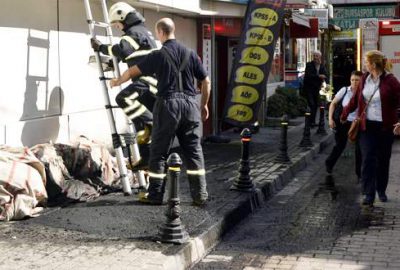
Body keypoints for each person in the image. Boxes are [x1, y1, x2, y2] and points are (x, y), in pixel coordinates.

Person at [110, 18, 211, 206]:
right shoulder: (190, 54)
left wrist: (117, 82)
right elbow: (206, 81)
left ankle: (155, 195)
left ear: (160, 33)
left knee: (159, 151)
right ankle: (200, 195)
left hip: (168, 105)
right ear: (173, 31)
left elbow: (132, 71)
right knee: (194, 151)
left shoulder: (158, 55)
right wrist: (203, 104)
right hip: (190, 106)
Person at [91, 2, 158, 143]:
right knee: (141, 126)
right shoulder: (141, 32)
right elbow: (133, 54)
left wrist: (100, 47)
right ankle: (146, 157)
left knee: (123, 99)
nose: (117, 27)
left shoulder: (134, 33)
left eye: (117, 23)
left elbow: (122, 50)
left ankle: (149, 122)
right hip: (150, 84)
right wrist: (112, 62)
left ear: (124, 18)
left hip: (147, 82)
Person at [341, 50, 400, 206]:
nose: (364, 65)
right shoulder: (364, 79)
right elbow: (355, 99)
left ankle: (381, 189)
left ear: (373, 64)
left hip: (386, 127)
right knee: (368, 158)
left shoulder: (391, 81)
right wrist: (344, 113)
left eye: (366, 62)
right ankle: (368, 193)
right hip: (367, 127)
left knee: (383, 160)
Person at [325, 71, 362, 177]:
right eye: (352, 80)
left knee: (359, 148)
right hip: (343, 122)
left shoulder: (363, 93)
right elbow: (333, 104)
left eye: (357, 80)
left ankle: (359, 173)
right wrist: (330, 119)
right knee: (340, 145)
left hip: (357, 123)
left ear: (361, 81)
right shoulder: (345, 90)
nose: (354, 82)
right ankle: (329, 164)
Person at [303, 50, 329, 126]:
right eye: (314, 56)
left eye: (317, 56)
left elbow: (326, 75)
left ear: (320, 57)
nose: (315, 57)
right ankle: (309, 122)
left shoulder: (321, 65)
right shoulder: (309, 65)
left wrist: (326, 84)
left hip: (317, 89)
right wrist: (319, 76)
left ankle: (312, 122)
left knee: (315, 105)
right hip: (309, 88)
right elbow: (309, 76)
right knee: (311, 104)